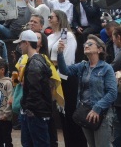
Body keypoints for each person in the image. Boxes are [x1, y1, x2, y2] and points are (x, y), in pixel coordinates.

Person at [57, 34, 117, 147]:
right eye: (85, 44)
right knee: (91, 145)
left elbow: (112, 93)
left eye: (90, 44)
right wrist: (60, 53)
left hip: (101, 114)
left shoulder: (106, 68)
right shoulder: (83, 66)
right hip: (85, 112)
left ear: (99, 49)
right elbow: (65, 71)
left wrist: (97, 108)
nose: (86, 45)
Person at [46, 10, 84, 147]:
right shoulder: (50, 36)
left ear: (59, 19)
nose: (49, 18)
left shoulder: (67, 35)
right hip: (53, 76)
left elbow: (67, 59)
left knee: (70, 113)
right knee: (61, 114)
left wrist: (55, 63)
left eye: (52, 16)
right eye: (48, 16)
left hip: (66, 76)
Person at [17, 30, 52, 147]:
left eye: (20, 43)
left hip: (35, 112)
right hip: (38, 111)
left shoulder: (34, 64)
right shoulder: (39, 60)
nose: (19, 46)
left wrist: (29, 108)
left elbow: (34, 91)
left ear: (26, 43)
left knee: (37, 143)